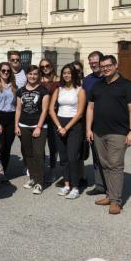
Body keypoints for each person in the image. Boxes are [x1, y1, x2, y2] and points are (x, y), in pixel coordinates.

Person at [85, 55, 131, 215]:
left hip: (118, 132)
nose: (105, 68)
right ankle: (110, 195)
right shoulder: (98, 85)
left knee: (115, 165)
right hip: (99, 132)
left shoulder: (127, 85)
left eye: (108, 65)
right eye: (103, 66)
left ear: (116, 65)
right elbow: (90, 108)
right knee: (105, 164)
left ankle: (116, 201)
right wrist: (88, 129)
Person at [49, 64, 87, 199]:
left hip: (74, 125)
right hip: (59, 124)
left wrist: (66, 127)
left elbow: (80, 113)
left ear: (74, 75)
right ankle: (66, 185)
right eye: (64, 73)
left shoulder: (80, 90)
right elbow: (51, 110)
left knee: (73, 157)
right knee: (64, 158)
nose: (66, 75)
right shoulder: (58, 90)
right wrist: (59, 126)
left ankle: (75, 187)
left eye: (69, 73)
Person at [16, 65, 50, 194]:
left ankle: (40, 182)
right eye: (30, 74)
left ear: (38, 75)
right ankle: (33, 178)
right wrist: (16, 125)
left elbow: (45, 110)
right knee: (28, 153)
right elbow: (18, 109)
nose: (32, 76)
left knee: (38, 153)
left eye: (35, 74)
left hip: (39, 126)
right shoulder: (21, 91)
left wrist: (39, 127)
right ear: (27, 75)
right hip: (24, 125)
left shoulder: (43, 91)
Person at [83, 50, 107, 196]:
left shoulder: (110, 78)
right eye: (91, 63)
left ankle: (112, 186)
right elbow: (86, 104)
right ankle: (100, 185)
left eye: (95, 62)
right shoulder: (87, 80)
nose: (93, 65)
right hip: (93, 123)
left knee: (111, 158)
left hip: (110, 124)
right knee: (97, 156)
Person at [0, 62, 17, 176]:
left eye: (8, 71)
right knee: (0, 146)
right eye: (3, 70)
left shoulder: (14, 86)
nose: (6, 73)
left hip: (11, 116)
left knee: (8, 146)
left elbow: (16, 104)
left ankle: (3, 173)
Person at [39, 58, 61, 184]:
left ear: (51, 66)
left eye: (47, 65)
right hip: (41, 115)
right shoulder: (38, 79)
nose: (45, 68)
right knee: (40, 144)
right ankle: (41, 169)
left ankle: (52, 169)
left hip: (55, 115)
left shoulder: (58, 79)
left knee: (53, 144)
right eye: (42, 67)